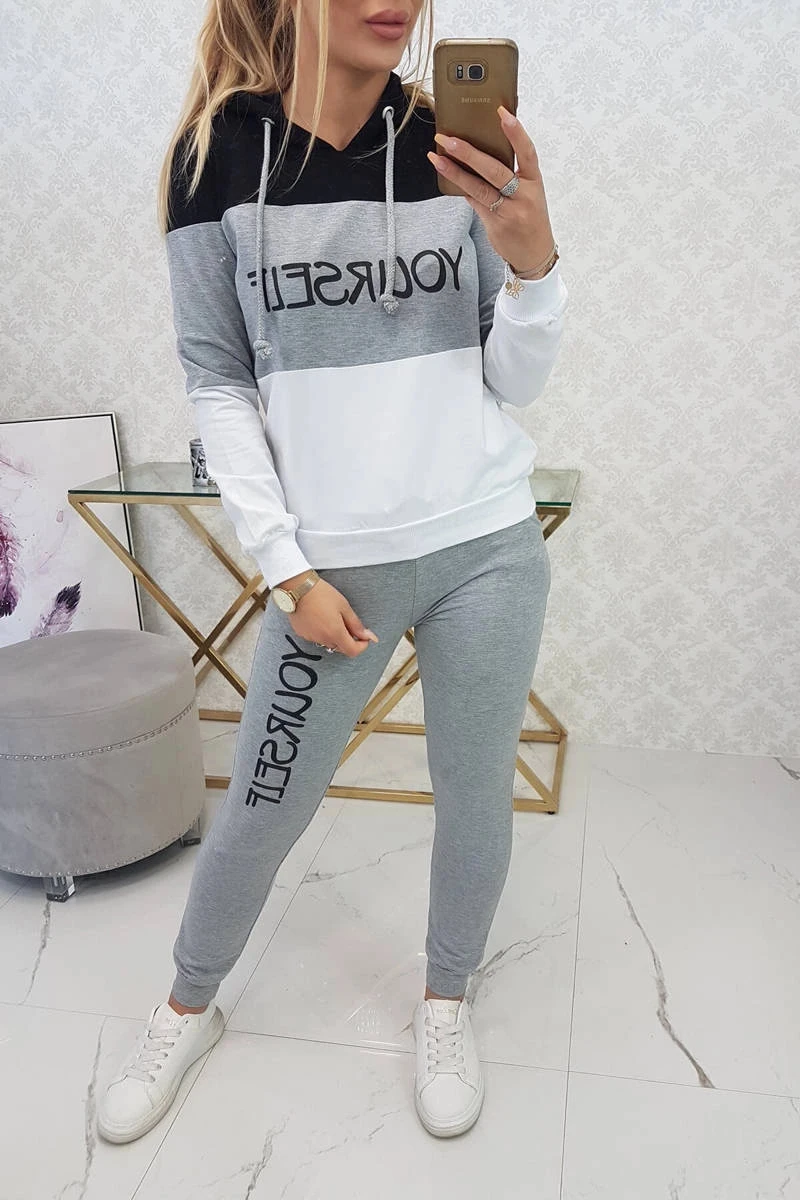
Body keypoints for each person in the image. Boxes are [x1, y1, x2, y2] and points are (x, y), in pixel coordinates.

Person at [97, 0, 567, 1146]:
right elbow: (217, 380)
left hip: (483, 546)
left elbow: (510, 381)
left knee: (472, 795)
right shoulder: (215, 158)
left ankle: (444, 1000)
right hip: (330, 577)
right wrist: (285, 572)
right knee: (263, 808)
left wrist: (533, 267)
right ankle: (185, 1005)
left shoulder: (446, 142)